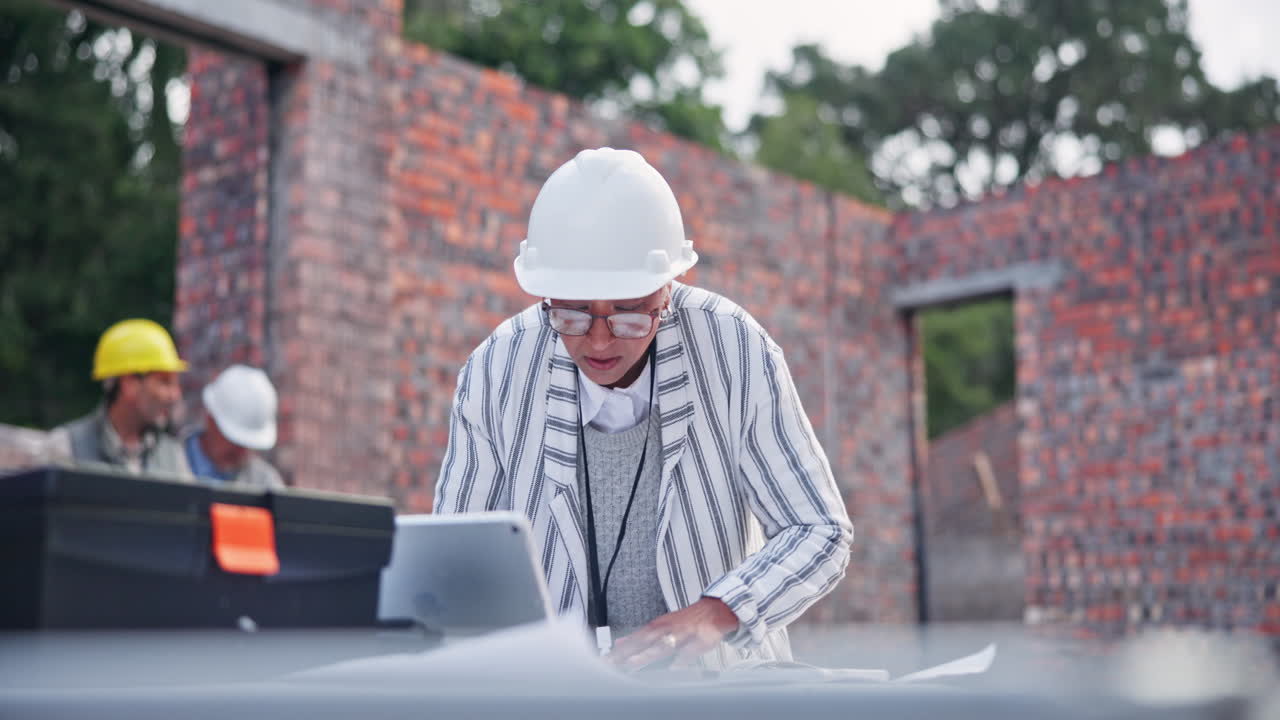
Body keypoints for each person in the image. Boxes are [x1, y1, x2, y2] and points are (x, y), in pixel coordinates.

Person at [434, 147, 853, 670]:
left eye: (630, 314)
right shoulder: (495, 368)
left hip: (718, 692)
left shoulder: (735, 348)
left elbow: (818, 529)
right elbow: (449, 559)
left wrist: (718, 611)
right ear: (547, 298)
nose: (601, 341)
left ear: (666, 293)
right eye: (575, 315)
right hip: (554, 696)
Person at [48, 319, 193, 479]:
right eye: (164, 382)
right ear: (129, 383)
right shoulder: (66, 448)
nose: (175, 395)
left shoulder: (173, 456)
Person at [183, 364, 285, 489]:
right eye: (235, 440)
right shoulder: (165, 459)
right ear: (211, 418)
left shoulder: (264, 482)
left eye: (248, 444)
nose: (241, 452)